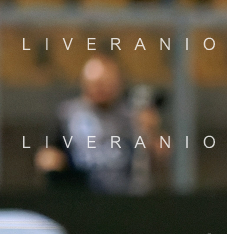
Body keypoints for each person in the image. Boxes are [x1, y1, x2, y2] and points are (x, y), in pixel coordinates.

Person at [35, 55, 167, 193]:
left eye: (106, 83)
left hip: (125, 195)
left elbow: (158, 155)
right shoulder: (67, 114)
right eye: (96, 84)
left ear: (118, 83)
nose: (101, 89)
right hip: (81, 194)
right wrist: (54, 163)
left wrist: (150, 132)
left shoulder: (133, 115)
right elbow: (48, 154)